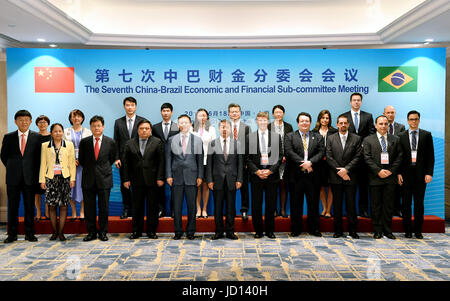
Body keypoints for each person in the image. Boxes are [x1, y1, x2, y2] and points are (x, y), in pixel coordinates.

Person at [1, 110, 42, 243]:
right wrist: (13, 167)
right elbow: (3, 156)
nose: (24, 122)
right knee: (13, 206)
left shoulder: (36, 137)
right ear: (15, 121)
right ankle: (12, 234)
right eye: (20, 119)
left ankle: (29, 233)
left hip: (30, 178)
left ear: (30, 122)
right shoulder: (8, 137)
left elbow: (38, 158)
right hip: (13, 178)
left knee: (29, 206)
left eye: (26, 120)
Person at [122, 119, 165, 239]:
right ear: (138, 130)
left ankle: (151, 231)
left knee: (152, 207)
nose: (144, 130)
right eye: (142, 128)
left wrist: (160, 178)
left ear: (150, 130)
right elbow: (125, 163)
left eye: (147, 128)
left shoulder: (157, 142)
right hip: (136, 180)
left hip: (153, 180)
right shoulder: (129, 143)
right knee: (137, 207)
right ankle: (137, 231)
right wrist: (125, 179)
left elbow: (161, 162)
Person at [78, 116, 118, 242]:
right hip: (88, 178)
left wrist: (101, 170)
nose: (96, 128)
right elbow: (82, 160)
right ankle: (91, 232)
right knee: (89, 208)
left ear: (103, 127)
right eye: (94, 125)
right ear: (90, 127)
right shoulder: (84, 142)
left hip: (104, 179)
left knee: (104, 207)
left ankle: (103, 232)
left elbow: (111, 159)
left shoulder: (110, 142)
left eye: (99, 125)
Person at [285, 112, 324, 237]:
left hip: (313, 176)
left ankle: (314, 228)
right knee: (296, 203)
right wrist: (304, 163)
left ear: (310, 123)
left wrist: (311, 162)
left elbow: (321, 152)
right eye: (302, 121)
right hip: (295, 175)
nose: (304, 123)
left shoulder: (317, 137)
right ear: (298, 123)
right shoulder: (290, 136)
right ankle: (296, 229)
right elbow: (289, 152)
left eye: (307, 121)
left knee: (313, 203)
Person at [363, 115, 402, 240]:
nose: (383, 126)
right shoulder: (368, 140)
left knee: (388, 205)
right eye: (380, 124)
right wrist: (378, 171)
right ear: (376, 125)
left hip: (390, 178)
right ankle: (377, 230)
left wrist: (391, 171)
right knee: (375, 205)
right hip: (375, 177)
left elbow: (399, 156)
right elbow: (367, 158)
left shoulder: (395, 139)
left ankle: (388, 231)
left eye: (385, 124)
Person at [166, 114, 203, 240]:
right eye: (181, 122)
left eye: (186, 122)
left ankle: (191, 231)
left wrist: (200, 176)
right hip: (176, 177)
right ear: (178, 125)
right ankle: (178, 231)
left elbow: (200, 160)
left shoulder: (197, 140)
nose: (184, 125)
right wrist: (169, 175)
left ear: (190, 124)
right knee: (177, 206)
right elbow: (168, 158)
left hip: (192, 176)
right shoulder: (172, 139)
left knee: (192, 206)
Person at [398, 111, 434, 239]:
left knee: (419, 204)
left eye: (416, 119)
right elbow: (398, 158)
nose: (414, 121)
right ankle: (407, 230)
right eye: (411, 119)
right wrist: (398, 174)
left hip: (421, 175)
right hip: (406, 175)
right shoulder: (401, 136)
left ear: (419, 120)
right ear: (407, 121)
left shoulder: (426, 135)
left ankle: (418, 231)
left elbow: (431, 156)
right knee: (406, 204)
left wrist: (429, 173)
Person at [246, 112, 283, 239]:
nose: (262, 122)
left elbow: (280, 157)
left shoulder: (275, 137)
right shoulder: (250, 137)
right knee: (256, 205)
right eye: (260, 120)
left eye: (264, 120)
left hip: (271, 176)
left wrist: (270, 171)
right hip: (256, 176)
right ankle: (258, 231)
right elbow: (247, 158)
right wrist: (257, 171)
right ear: (257, 121)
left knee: (270, 204)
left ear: (268, 121)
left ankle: (270, 230)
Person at [326, 114, 362, 239]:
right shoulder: (330, 138)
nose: (342, 125)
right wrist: (340, 171)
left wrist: (346, 170)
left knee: (351, 205)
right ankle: (338, 231)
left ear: (348, 124)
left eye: (345, 123)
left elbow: (358, 157)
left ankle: (352, 231)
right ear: (337, 124)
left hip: (350, 176)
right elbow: (329, 157)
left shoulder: (356, 139)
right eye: (340, 123)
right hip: (336, 177)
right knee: (337, 205)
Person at [206, 120, 243, 240]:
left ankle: (230, 231)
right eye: (222, 127)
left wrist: (239, 179)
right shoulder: (212, 144)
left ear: (231, 129)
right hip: (217, 180)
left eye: (227, 127)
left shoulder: (237, 144)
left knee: (231, 208)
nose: (224, 129)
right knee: (218, 208)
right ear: (218, 129)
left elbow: (240, 164)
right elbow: (209, 163)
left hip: (232, 180)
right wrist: (210, 180)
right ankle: (218, 231)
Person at [39, 123, 76, 241]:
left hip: (65, 178)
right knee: (52, 206)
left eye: (60, 131)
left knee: (64, 205)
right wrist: (42, 180)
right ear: (51, 133)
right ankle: (54, 232)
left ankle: (61, 232)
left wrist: (72, 178)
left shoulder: (69, 145)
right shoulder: (45, 145)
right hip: (50, 178)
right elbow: (43, 163)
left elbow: (72, 163)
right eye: (55, 131)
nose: (58, 133)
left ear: (63, 132)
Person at [341, 93, 375, 218]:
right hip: (348, 157)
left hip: (364, 157)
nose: (356, 102)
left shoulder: (368, 116)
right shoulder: (344, 117)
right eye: (354, 100)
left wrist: (363, 146)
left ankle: (363, 209)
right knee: (348, 185)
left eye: (358, 100)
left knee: (363, 185)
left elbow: (371, 134)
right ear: (350, 102)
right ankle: (348, 211)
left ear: (361, 102)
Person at [114, 96, 145, 219]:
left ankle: (138, 210)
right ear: (124, 106)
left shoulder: (142, 122)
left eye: (132, 105)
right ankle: (127, 208)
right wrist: (116, 158)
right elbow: (116, 141)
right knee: (124, 185)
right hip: (123, 160)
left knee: (139, 186)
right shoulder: (118, 122)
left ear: (135, 107)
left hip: (139, 160)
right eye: (127, 105)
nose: (130, 107)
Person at [151, 103, 180, 217]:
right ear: (161, 112)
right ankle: (160, 209)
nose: (165, 113)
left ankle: (174, 210)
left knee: (174, 186)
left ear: (171, 112)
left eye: (168, 111)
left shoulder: (177, 127)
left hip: (173, 160)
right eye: (163, 111)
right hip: (158, 161)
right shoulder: (155, 127)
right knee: (159, 187)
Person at [63, 109, 92, 221]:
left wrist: (81, 159)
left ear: (82, 118)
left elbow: (90, 149)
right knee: (71, 188)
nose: (76, 118)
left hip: (84, 165)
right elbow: (63, 149)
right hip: (70, 165)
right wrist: (71, 160)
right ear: (70, 119)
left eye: (79, 116)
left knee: (83, 187)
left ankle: (82, 212)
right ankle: (74, 212)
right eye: (74, 116)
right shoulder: (65, 132)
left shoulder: (88, 132)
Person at [268, 105, 293, 218]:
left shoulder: (288, 127)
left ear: (283, 113)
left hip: (285, 161)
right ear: (273, 114)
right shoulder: (269, 126)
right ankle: (272, 210)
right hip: (272, 160)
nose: (278, 114)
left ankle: (282, 210)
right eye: (276, 112)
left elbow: (291, 143)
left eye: (280, 112)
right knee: (272, 186)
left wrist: (285, 155)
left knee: (283, 185)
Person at [312, 109, 338, 218]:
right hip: (318, 164)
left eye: (327, 118)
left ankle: (328, 210)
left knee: (331, 186)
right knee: (321, 186)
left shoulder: (334, 131)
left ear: (329, 120)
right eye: (323, 118)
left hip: (331, 163)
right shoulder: (313, 132)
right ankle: (323, 208)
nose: (325, 120)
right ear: (319, 119)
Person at [228, 103, 251, 221]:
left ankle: (244, 210)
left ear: (240, 113)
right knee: (228, 188)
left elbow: (249, 146)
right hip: (228, 162)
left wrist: (247, 162)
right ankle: (230, 211)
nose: (234, 113)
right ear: (229, 113)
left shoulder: (246, 127)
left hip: (243, 162)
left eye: (236, 111)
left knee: (244, 187)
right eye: (232, 111)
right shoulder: (224, 126)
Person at [192, 108, 217, 218]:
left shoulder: (211, 129)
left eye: (204, 115)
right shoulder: (192, 129)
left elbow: (214, 146)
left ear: (207, 117)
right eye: (200, 115)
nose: (202, 117)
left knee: (206, 186)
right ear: (196, 117)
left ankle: (205, 209)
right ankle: (198, 209)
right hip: (195, 162)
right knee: (197, 186)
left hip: (207, 161)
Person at [383, 105, 406, 217]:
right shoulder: (380, 127)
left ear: (395, 113)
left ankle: (398, 209)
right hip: (382, 163)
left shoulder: (401, 127)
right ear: (384, 114)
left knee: (398, 188)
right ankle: (388, 210)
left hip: (397, 162)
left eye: (392, 112)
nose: (390, 114)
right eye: (388, 112)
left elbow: (402, 147)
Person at [34, 115, 51, 222]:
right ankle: (38, 213)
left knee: (48, 191)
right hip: (36, 167)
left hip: (49, 167)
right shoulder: (33, 136)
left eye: (44, 122)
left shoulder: (52, 136)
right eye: (40, 122)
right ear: (37, 124)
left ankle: (47, 212)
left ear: (48, 124)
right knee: (37, 192)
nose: (42, 124)